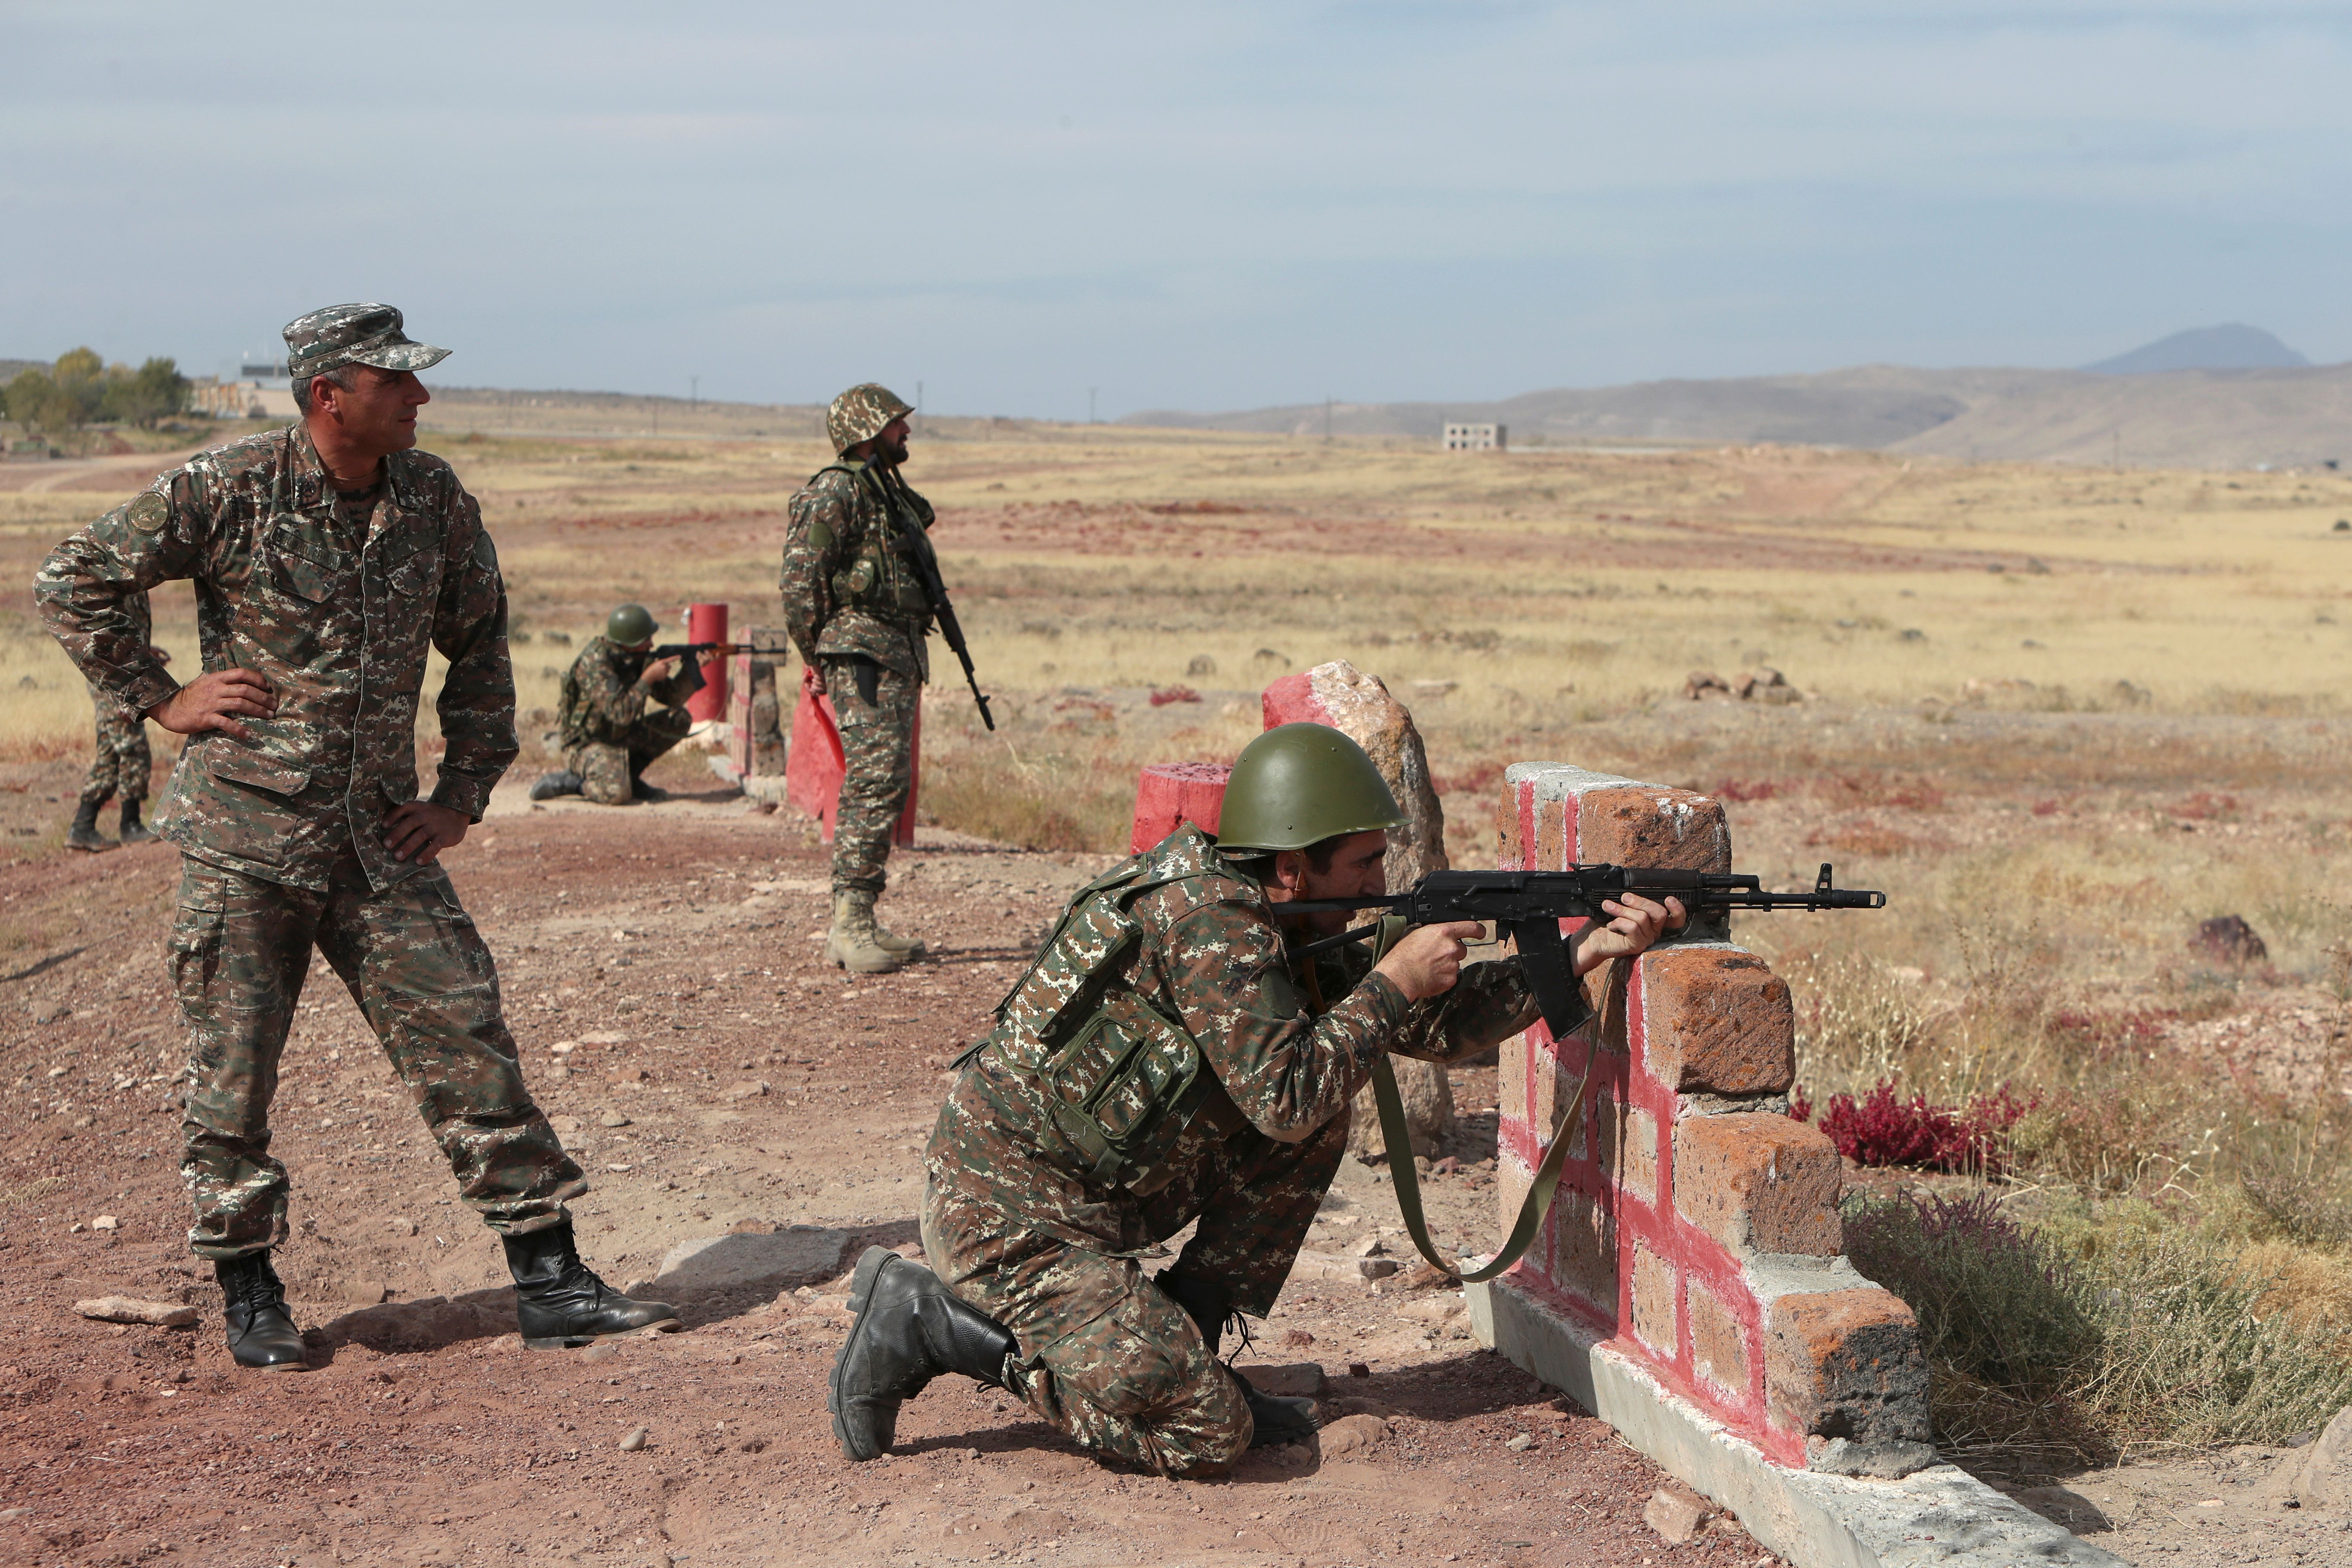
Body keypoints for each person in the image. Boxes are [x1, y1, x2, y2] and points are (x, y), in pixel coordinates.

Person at [36, 302, 677, 1372]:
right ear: (330, 394)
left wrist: (465, 790)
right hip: (247, 837)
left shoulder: (431, 498)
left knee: (469, 1044)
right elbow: (76, 578)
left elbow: (480, 645)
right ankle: (251, 1293)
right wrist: (161, 697)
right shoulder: (229, 487)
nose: (420, 398)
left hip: (383, 841)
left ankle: (553, 1281)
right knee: (231, 1081)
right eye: (398, 383)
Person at [828, 723, 1687, 1475]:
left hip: (1102, 1194)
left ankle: (1181, 1339)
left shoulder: (1289, 916)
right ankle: (933, 1322)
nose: (1380, 881)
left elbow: (1433, 1029)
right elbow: (1285, 1095)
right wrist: (1389, 983)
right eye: (1362, 863)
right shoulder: (1210, 924)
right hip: (1013, 1226)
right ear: (1290, 867)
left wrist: (1583, 954)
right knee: (1207, 1432)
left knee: (1329, 1093)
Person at [779, 383, 947, 974]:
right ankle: (849, 925)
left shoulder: (886, 492)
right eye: (897, 423)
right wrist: (817, 656)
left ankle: (863, 919)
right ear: (868, 429)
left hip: (894, 654)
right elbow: (801, 582)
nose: (907, 432)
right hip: (861, 655)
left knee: (887, 782)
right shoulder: (836, 490)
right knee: (874, 782)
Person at [530, 603, 704, 804]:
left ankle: (629, 777)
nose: (651, 644)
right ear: (630, 641)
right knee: (616, 794)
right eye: (647, 639)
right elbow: (619, 713)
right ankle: (575, 783)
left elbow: (672, 698)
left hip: (620, 736)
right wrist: (647, 679)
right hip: (587, 744)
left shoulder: (635, 658)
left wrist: (693, 670)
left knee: (679, 719)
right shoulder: (596, 664)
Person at [67, 590, 167, 851]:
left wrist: (147, 652)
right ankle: (130, 825)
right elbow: (106, 641)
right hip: (114, 681)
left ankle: (83, 827)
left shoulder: (135, 584)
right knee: (134, 748)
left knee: (110, 755)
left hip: (119, 678)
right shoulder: (115, 583)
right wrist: (125, 691)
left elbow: (127, 634)